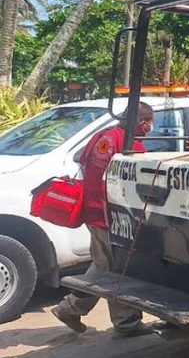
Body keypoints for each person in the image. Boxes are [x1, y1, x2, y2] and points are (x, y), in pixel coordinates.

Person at [51, 103, 156, 338]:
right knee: (117, 270)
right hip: (113, 218)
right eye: (150, 122)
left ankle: (123, 321)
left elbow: (84, 162)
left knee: (105, 265)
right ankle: (77, 310)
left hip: (93, 212)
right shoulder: (131, 146)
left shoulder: (103, 136)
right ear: (142, 122)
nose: (151, 127)